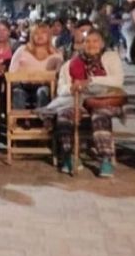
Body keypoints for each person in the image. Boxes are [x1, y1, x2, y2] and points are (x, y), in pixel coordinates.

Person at [50, 29, 124, 177]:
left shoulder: (111, 58)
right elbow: (61, 88)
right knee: (63, 115)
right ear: (82, 44)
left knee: (100, 114)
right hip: (77, 101)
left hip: (104, 100)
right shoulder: (71, 64)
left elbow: (117, 81)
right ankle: (70, 156)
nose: (91, 44)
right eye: (87, 41)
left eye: (95, 41)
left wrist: (91, 80)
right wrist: (71, 88)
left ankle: (105, 159)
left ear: (102, 43)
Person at [9, 23, 63, 109]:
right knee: (17, 92)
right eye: (36, 33)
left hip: (45, 86)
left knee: (43, 91)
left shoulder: (56, 54)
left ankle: (43, 119)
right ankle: (19, 121)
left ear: (49, 36)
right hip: (23, 86)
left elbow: (59, 76)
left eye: (43, 33)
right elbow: (11, 73)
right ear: (31, 36)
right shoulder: (22, 50)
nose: (39, 36)